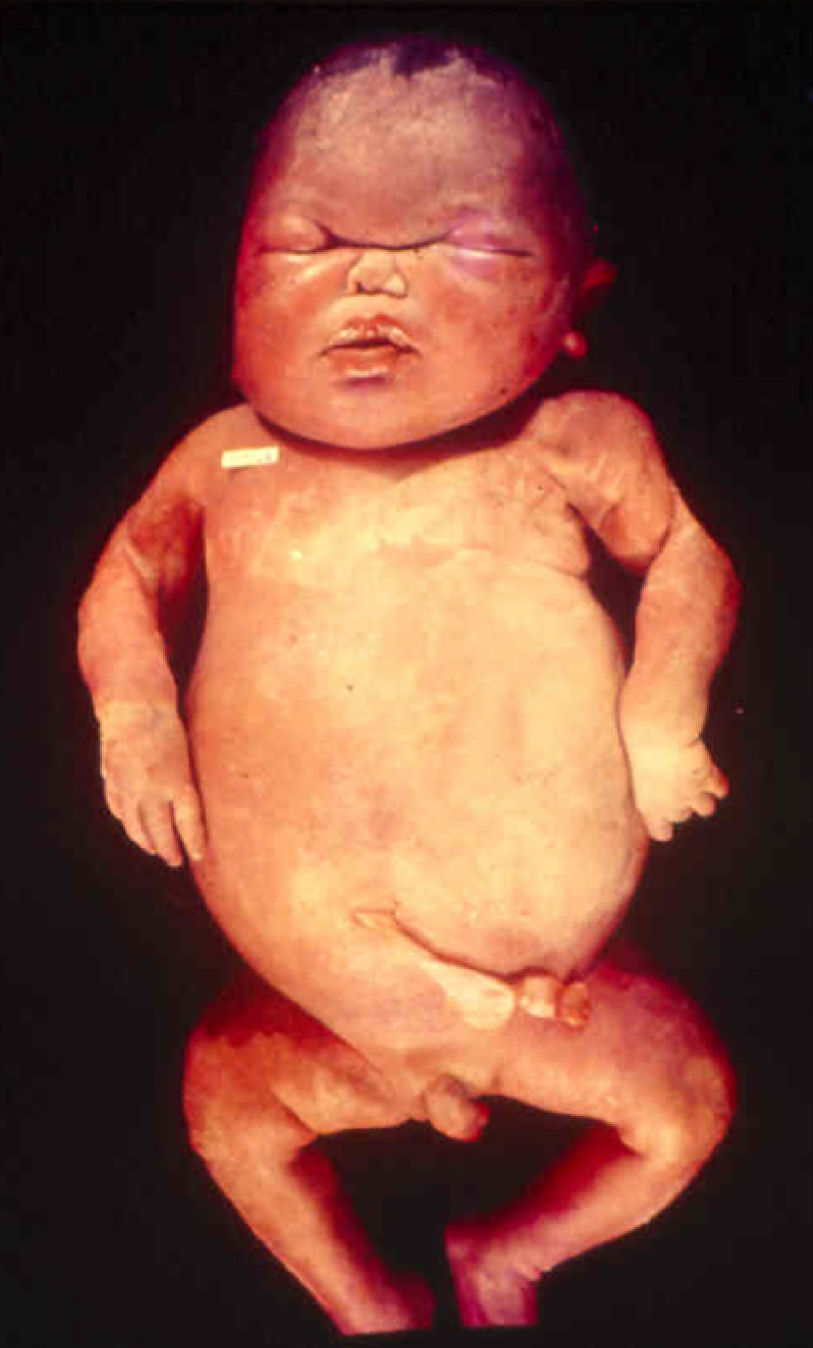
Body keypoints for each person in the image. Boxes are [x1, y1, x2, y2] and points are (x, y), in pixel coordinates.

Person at [77, 37, 740, 1334]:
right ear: (232, 295)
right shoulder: (226, 460)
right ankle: (367, 1306)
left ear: (574, 304)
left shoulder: (568, 441)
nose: (372, 279)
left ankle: (512, 1255)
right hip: (322, 1016)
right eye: (304, 246)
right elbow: (127, 576)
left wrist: (663, 715)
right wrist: (133, 714)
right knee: (225, 1112)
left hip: (549, 1007)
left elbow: (685, 558)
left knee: (684, 1110)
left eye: (468, 250)